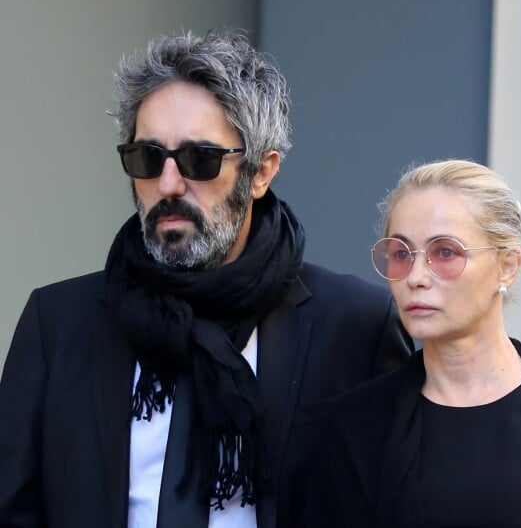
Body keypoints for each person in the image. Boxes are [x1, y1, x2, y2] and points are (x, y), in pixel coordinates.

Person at [0, 30, 412, 528]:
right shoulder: (59, 323)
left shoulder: (352, 326)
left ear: (260, 172)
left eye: (200, 159)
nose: (169, 184)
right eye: (148, 158)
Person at [296, 159, 521, 527]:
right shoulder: (353, 429)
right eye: (401, 254)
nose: (416, 277)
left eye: (445, 252)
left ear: (507, 265)